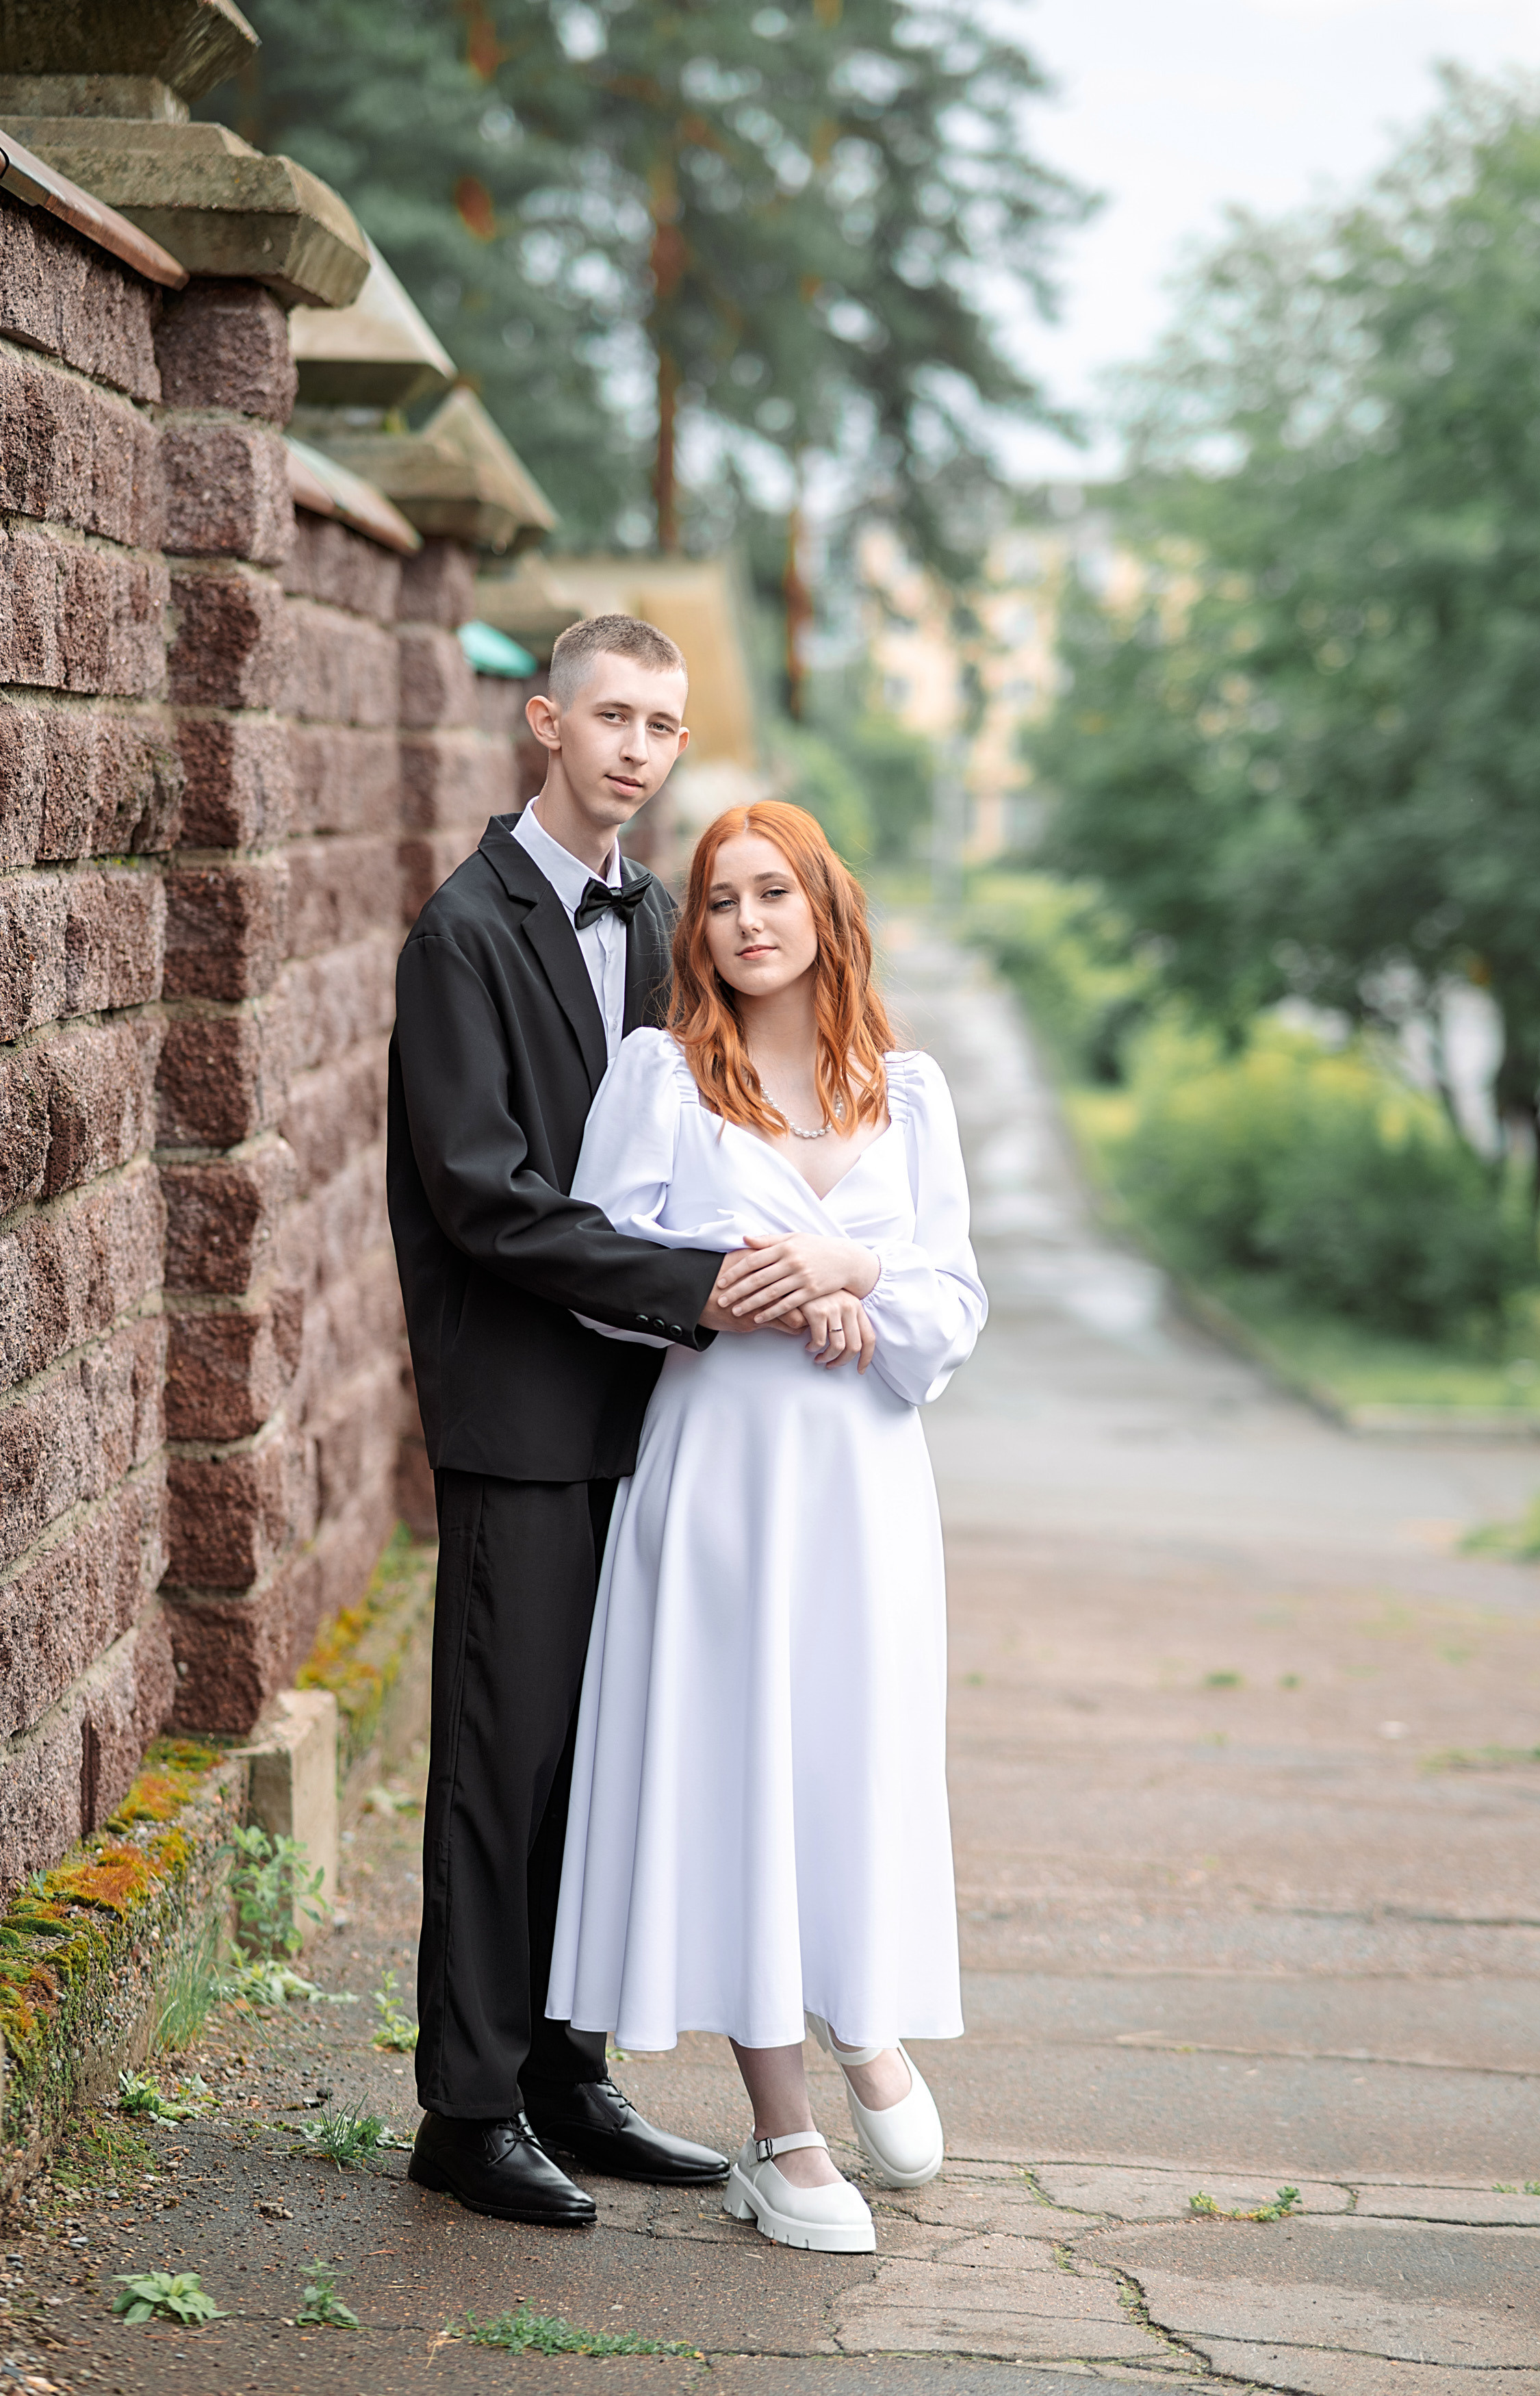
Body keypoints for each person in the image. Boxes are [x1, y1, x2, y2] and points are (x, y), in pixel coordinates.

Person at [546, 800, 988, 2254]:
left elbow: (950, 1300)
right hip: (724, 1474)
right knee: (740, 1768)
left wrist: (857, 1267)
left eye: (770, 893)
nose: (744, 920)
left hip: (863, 1483)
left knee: (846, 1759)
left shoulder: (906, 1091)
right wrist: (718, 1288)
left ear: (821, 908)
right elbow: (601, 1270)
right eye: (720, 899)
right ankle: (781, 2130)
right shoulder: (661, 1076)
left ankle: (867, 2024)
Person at [388, 615, 771, 2224]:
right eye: (609, 714)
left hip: (655, 1411)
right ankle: (466, 2110)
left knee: (608, 1759)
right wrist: (700, 1278)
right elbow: (486, 1197)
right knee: (505, 1762)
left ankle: (567, 2068)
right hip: (523, 1409)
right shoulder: (463, 931)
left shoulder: (669, 924)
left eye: (663, 725)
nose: (635, 745)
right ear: (545, 720)